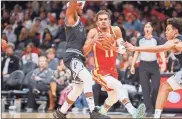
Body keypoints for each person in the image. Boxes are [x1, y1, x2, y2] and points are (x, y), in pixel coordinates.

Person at [83, 10, 146, 118]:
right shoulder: (93, 32)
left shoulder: (116, 30)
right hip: (99, 71)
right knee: (118, 85)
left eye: (105, 19)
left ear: (109, 21)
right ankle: (133, 112)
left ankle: (101, 111)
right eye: (100, 20)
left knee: (113, 97)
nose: (103, 21)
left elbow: (122, 50)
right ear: (97, 22)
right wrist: (94, 40)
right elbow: (84, 51)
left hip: (112, 71)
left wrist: (113, 47)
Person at [53, 2, 109, 119]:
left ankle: (60, 113)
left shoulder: (81, 26)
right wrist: (74, 3)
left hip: (79, 57)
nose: (81, 7)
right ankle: (93, 111)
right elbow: (71, 6)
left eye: (81, 5)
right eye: (78, 5)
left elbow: (84, 51)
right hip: (72, 56)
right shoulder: (70, 20)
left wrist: (94, 40)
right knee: (88, 78)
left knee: (78, 89)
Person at [124, 17, 182, 118]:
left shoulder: (174, 41)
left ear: (175, 31)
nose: (165, 32)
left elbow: (157, 49)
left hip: (153, 65)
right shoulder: (176, 40)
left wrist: (135, 48)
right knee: (164, 87)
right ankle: (156, 115)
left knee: (162, 87)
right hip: (145, 65)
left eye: (168, 29)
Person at [130, 22, 166, 116]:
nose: (147, 28)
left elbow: (161, 51)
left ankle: (155, 106)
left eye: (149, 27)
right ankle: (149, 110)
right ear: (144, 29)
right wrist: (132, 65)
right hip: (143, 65)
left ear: (152, 29)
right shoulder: (140, 40)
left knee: (155, 88)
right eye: (145, 27)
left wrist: (164, 63)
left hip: (154, 65)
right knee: (145, 89)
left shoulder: (156, 39)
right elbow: (136, 52)